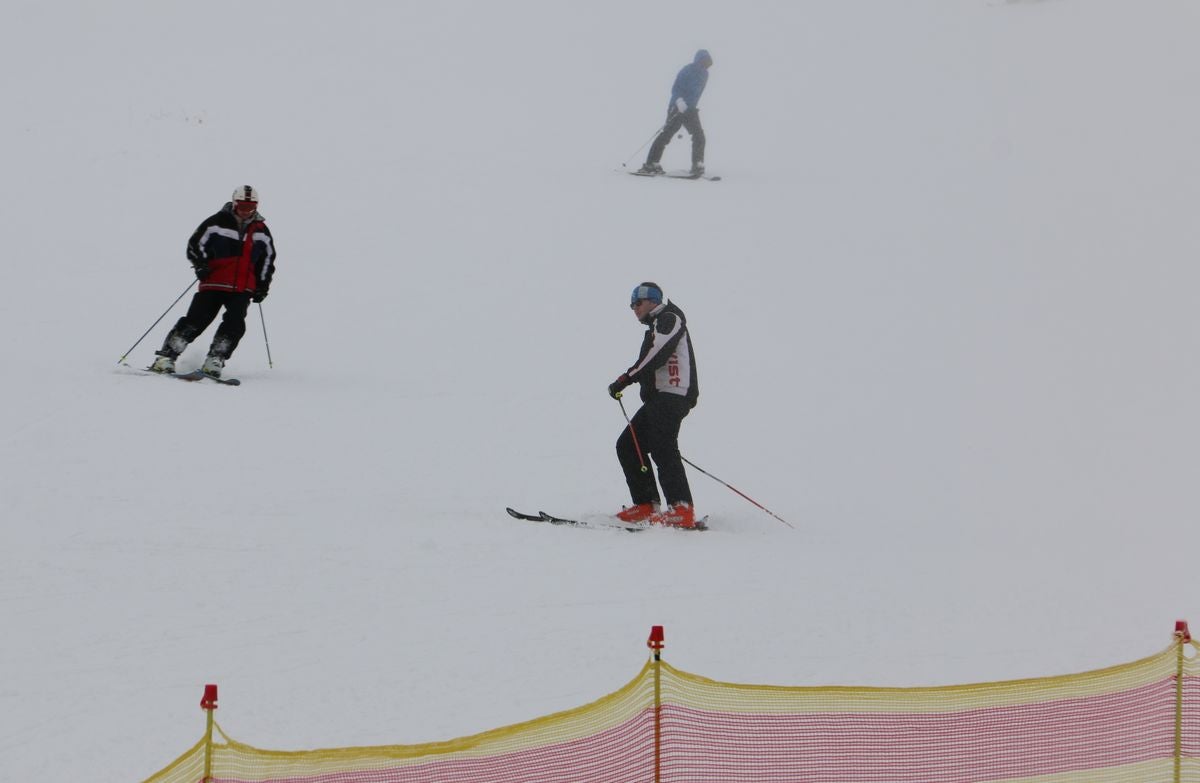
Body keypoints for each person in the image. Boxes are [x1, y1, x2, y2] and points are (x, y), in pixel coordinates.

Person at [149, 186, 277, 378]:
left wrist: (262, 286)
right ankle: (166, 357)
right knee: (196, 320)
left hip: (243, 287)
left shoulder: (261, 231)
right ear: (234, 203)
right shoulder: (216, 223)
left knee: (235, 323)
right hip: (214, 281)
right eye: (242, 205)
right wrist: (200, 264)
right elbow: (195, 244)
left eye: (250, 206)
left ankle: (216, 359)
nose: (246, 210)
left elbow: (267, 260)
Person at [607, 283, 700, 528]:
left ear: (653, 301)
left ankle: (681, 508)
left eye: (637, 303)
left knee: (662, 447)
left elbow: (655, 355)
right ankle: (646, 505)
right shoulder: (656, 327)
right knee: (628, 445)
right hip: (659, 399)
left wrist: (626, 378)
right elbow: (649, 359)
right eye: (631, 305)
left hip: (673, 395)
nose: (634, 309)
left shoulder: (669, 318)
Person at [638, 50, 713, 177]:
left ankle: (697, 165)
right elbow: (676, 87)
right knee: (666, 134)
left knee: (699, 135)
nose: (705, 64)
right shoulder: (688, 70)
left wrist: (690, 107)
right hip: (677, 106)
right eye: (703, 61)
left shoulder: (705, 74)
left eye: (707, 62)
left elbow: (696, 94)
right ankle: (651, 164)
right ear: (698, 59)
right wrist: (679, 101)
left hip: (690, 109)